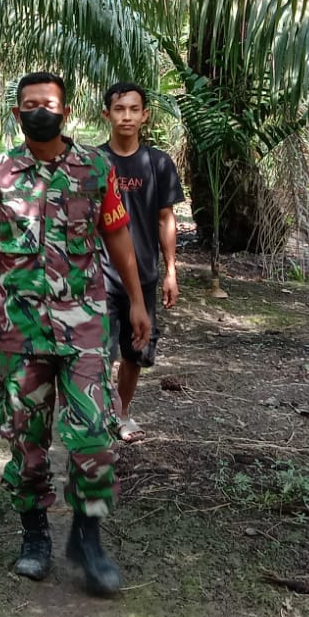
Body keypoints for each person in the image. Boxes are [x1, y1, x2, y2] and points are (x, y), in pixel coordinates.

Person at [0, 72, 150, 596]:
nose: (41, 110)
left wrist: (137, 301)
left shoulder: (95, 169)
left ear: (66, 111)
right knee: (26, 441)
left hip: (84, 326)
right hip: (21, 331)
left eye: (50, 103)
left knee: (95, 438)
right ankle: (35, 536)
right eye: (30, 104)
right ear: (17, 114)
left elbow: (117, 234)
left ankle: (88, 535)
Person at [98, 81, 184, 443]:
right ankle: (98, 416)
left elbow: (166, 219)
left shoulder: (159, 163)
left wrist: (171, 271)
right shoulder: (95, 162)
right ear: (107, 114)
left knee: (135, 353)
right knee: (98, 352)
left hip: (145, 276)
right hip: (99, 275)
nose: (127, 116)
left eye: (134, 109)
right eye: (120, 109)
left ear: (145, 115)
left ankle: (122, 414)